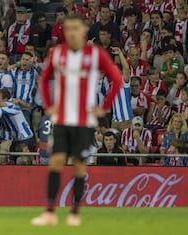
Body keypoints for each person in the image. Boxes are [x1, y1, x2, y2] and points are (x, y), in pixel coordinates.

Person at [31, 14, 122, 226]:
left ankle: (74, 212)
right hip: (62, 119)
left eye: (75, 28)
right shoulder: (58, 52)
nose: (71, 32)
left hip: (84, 121)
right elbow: (44, 79)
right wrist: (49, 105)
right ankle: (50, 211)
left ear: (84, 31)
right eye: (68, 28)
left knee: (79, 166)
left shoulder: (95, 53)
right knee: (56, 162)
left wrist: (105, 107)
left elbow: (116, 79)